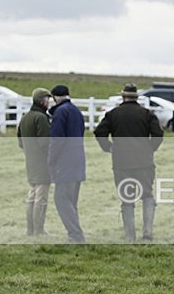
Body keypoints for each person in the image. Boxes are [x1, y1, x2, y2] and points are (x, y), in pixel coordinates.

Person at [94, 84, 164, 241]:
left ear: (123, 96)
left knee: (127, 199)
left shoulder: (113, 114)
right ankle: (147, 233)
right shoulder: (147, 114)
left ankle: (130, 235)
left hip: (121, 162)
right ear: (136, 97)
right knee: (147, 195)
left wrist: (108, 148)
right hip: (144, 162)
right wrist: (150, 149)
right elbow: (158, 134)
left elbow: (99, 132)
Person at [48, 84, 86, 243]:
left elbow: (57, 140)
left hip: (65, 162)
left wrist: (51, 160)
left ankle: (75, 235)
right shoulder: (76, 111)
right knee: (71, 201)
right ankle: (75, 234)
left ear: (55, 98)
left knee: (61, 199)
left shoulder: (60, 113)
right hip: (78, 160)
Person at [17, 88, 52, 236]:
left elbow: (20, 141)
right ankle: (39, 229)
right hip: (42, 162)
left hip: (30, 161)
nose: (49, 102)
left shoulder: (25, 117)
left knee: (31, 196)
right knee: (41, 198)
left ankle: (30, 230)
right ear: (43, 100)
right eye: (47, 99)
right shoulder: (41, 118)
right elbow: (45, 142)